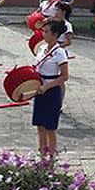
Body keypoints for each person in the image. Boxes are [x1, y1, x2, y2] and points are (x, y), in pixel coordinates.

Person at [32, 20, 69, 158]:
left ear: (55, 34)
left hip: (52, 91)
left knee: (50, 127)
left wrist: (47, 86)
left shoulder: (60, 53)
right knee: (40, 126)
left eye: (46, 32)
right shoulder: (42, 48)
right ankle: (42, 154)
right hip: (40, 89)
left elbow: (64, 76)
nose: (43, 34)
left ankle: (52, 157)